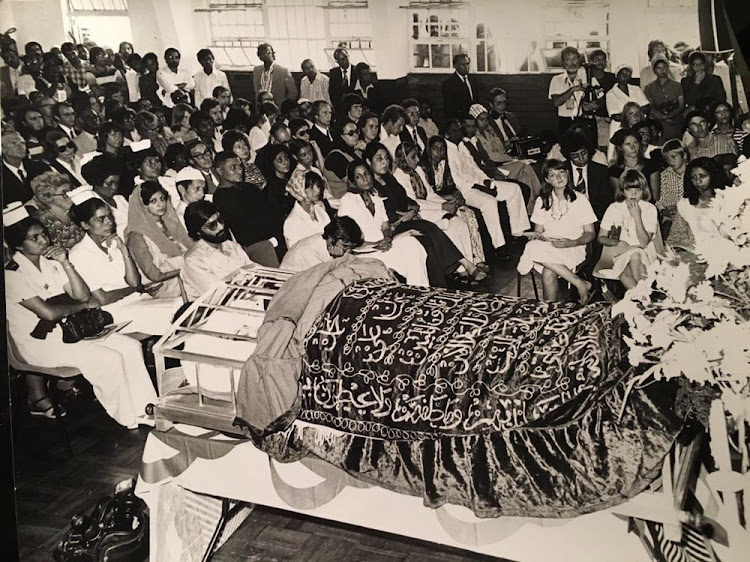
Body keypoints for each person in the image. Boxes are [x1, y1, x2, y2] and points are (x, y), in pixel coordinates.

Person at [3, 204, 157, 429]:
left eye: (43, 234)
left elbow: (82, 294)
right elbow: (50, 312)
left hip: (69, 332)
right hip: (38, 344)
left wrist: (65, 263)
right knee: (108, 359)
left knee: (129, 346)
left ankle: (147, 407)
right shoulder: (12, 274)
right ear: (18, 244)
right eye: (33, 238)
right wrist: (82, 305)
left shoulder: (51, 263)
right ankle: (128, 417)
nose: (43, 241)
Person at [68, 190, 182, 336]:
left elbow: (134, 281)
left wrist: (123, 250)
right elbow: (102, 298)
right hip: (116, 312)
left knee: (182, 307)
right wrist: (133, 290)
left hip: (138, 301)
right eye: (100, 219)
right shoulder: (79, 254)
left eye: (109, 216)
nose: (109, 222)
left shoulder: (113, 244)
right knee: (178, 313)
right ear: (85, 225)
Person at [392, 141, 487, 284]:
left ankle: (469, 264)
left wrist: (446, 204)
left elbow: (429, 194)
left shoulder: (417, 170)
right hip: (420, 214)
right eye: (413, 157)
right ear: (403, 159)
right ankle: (462, 271)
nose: (418, 160)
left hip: (432, 209)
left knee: (460, 224)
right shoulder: (398, 177)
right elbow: (414, 203)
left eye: (417, 156)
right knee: (450, 228)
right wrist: (441, 207)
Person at [337, 160, 430, 286]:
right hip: (364, 251)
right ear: (353, 181)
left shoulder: (376, 196)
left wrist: (387, 238)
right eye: (359, 177)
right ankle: (417, 289)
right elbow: (346, 238)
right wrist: (376, 244)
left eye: (367, 174)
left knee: (412, 244)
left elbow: (385, 225)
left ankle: (417, 289)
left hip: (384, 245)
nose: (365, 179)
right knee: (409, 258)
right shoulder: (347, 201)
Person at [517, 159, 597, 304]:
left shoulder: (581, 199)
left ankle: (549, 311)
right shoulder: (542, 200)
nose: (559, 177)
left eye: (561, 172)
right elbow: (539, 232)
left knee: (548, 271)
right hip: (548, 247)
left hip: (573, 246)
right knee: (532, 245)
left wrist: (572, 242)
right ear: (547, 180)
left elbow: (591, 233)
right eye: (553, 175)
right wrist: (535, 237)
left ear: (567, 173)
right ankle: (579, 283)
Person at [443, 120, 531, 243]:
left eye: (459, 130)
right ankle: (499, 244)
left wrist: (486, 181)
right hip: (466, 190)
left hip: (478, 183)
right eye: (454, 131)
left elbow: (475, 168)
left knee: (514, 189)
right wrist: (480, 187)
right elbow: (457, 180)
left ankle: (519, 232)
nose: (458, 133)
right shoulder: (447, 150)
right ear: (447, 135)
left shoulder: (462, 146)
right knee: (489, 202)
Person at [212, 151, 283, 266]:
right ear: (220, 171)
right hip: (258, 248)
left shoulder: (249, 187)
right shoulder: (221, 198)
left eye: (240, 166)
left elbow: (270, 211)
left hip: (275, 239)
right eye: (233, 167)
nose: (239, 171)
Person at [464, 105, 542, 208]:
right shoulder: (475, 137)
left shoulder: (488, 132)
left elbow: (501, 149)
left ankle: (531, 207)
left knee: (525, 175)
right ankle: (541, 196)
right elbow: (492, 157)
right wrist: (513, 159)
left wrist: (493, 135)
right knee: (523, 166)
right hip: (496, 166)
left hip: (503, 162)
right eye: (481, 120)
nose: (485, 122)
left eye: (486, 119)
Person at [125, 180, 193, 298]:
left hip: (184, 277)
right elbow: (154, 275)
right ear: (143, 205)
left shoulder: (170, 224)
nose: (161, 204)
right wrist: (189, 267)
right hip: (164, 288)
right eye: (153, 201)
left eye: (162, 199)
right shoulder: (136, 236)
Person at [595, 169, 661, 289]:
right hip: (621, 252)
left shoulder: (649, 208)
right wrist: (616, 242)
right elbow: (601, 237)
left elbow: (644, 243)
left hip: (645, 252)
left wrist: (637, 216)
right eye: (629, 190)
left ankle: (642, 300)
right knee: (626, 273)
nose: (634, 194)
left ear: (644, 190)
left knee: (633, 259)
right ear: (622, 191)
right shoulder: (614, 208)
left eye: (638, 190)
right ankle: (646, 300)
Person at [181, 200, 254, 299]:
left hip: (250, 300)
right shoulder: (193, 260)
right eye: (212, 225)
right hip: (220, 310)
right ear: (198, 232)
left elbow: (255, 271)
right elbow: (219, 295)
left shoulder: (231, 246)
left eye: (220, 220)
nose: (221, 227)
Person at [666, 157, 728, 250]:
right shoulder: (686, 205)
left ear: (713, 175)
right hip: (696, 253)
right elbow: (675, 239)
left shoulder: (726, 201)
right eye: (693, 177)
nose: (698, 181)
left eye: (702, 176)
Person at [560, 128, 613, 222]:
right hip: (567, 218)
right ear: (568, 156)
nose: (581, 158)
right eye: (575, 156)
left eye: (584, 153)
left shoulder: (601, 171)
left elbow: (606, 201)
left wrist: (588, 217)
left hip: (594, 218)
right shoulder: (561, 171)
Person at [281, 216, 362, 272]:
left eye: (351, 247)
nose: (348, 251)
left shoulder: (325, 239)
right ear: (331, 239)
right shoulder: (309, 251)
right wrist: (337, 259)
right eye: (345, 246)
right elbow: (323, 279)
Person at [29, 171, 85, 250]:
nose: (71, 195)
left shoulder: (76, 211)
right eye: (64, 193)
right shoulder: (43, 223)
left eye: (70, 190)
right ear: (48, 197)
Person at [549, 47, 597, 136]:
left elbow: (601, 97)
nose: (572, 63)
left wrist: (592, 105)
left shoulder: (588, 76)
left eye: (574, 58)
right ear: (563, 63)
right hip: (565, 121)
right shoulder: (556, 79)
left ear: (579, 60)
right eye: (568, 59)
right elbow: (556, 102)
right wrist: (573, 89)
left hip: (585, 120)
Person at [606, 64, 650, 159]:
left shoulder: (636, 89)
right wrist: (631, 114)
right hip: (619, 126)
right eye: (623, 74)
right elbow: (615, 115)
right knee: (617, 153)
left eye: (628, 74)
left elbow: (647, 106)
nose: (626, 76)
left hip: (637, 125)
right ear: (617, 75)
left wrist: (633, 113)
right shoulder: (611, 93)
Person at [81, 153, 129, 239]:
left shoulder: (120, 199)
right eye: (109, 183)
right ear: (97, 182)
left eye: (117, 183)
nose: (114, 187)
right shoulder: (93, 206)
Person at [283, 169, 331, 249]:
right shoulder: (292, 222)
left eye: (318, 186)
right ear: (299, 189)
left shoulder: (319, 208)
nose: (317, 191)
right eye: (311, 188)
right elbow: (296, 255)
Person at [608, 129, 661, 199]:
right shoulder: (614, 170)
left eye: (635, 143)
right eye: (628, 144)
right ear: (620, 148)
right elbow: (618, 197)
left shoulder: (651, 165)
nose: (633, 148)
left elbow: (655, 197)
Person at [643, 55, 685, 141]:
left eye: (664, 67)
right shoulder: (649, 88)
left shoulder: (677, 85)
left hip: (675, 122)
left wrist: (668, 116)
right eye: (659, 68)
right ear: (654, 70)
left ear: (668, 68)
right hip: (658, 124)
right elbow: (649, 107)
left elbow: (681, 106)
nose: (662, 70)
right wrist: (662, 117)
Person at [323, 120, 360, 202]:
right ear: (341, 136)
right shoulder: (335, 157)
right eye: (351, 133)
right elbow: (356, 182)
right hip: (343, 201)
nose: (356, 135)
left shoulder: (356, 151)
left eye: (357, 131)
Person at [252, 43, 297, 109]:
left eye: (268, 52)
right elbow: (257, 92)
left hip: (277, 108)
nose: (265, 55)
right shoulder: (256, 71)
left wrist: (285, 107)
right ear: (260, 57)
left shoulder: (283, 71)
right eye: (262, 53)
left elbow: (293, 92)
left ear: (273, 54)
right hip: (261, 108)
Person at [2, 130, 35, 205]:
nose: (20, 147)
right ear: (3, 149)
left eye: (22, 143)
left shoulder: (39, 168)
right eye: (14, 143)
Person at [656, 139, 688, 214]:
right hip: (669, 213)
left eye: (673, 157)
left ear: (684, 156)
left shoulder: (692, 173)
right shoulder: (665, 175)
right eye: (667, 159)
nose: (670, 161)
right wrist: (663, 210)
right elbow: (660, 200)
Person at [442, 53, 478, 120]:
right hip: (459, 120)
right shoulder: (449, 83)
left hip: (474, 119)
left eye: (467, 64)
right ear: (455, 66)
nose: (466, 67)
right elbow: (449, 108)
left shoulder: (473, 80)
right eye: (463, 65)